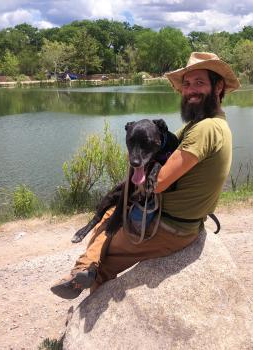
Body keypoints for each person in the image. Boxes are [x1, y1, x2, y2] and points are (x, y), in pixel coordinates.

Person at [50, 52, 240, 299]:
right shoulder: (201, 124)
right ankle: (83, 268)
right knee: (110, 214)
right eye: (187, 84)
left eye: (200, 83)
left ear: (219, 87)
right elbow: (163, 151)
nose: (191, 90)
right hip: (171, 217)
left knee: (105, 257)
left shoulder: (206, 129)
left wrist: (137, 161)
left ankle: (89, 284)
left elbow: (158, 183)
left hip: (168, 226)